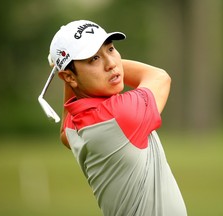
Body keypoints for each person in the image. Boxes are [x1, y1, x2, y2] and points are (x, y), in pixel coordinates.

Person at [48, 20, 187, 216]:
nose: (112, 63)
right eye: (94, 58)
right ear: (69, 77)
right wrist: (67, 74)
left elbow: (64, 131)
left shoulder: (74, 125)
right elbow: (159, 77)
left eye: (111, 49)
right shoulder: (119, 114)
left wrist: (69, 74)